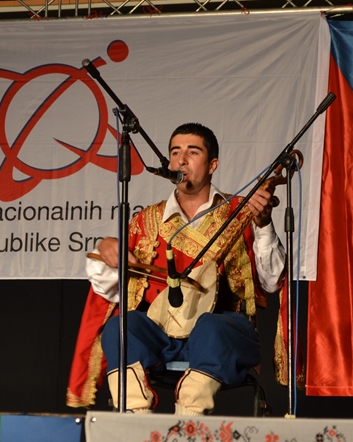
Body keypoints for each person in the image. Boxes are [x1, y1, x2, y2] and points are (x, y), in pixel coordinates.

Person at [66, 122, 286, 415]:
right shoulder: (146, 221)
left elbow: (272, 281)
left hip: (221, 338)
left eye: (192, 152)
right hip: (162, 337)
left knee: (210, 326)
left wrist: (264, 224)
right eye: (175, 152)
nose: (181, 160)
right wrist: (106, 250)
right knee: (121, 326)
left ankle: (189, 422)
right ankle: (135, 419)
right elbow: (108, 289)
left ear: (212, 165)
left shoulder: (241, 212)